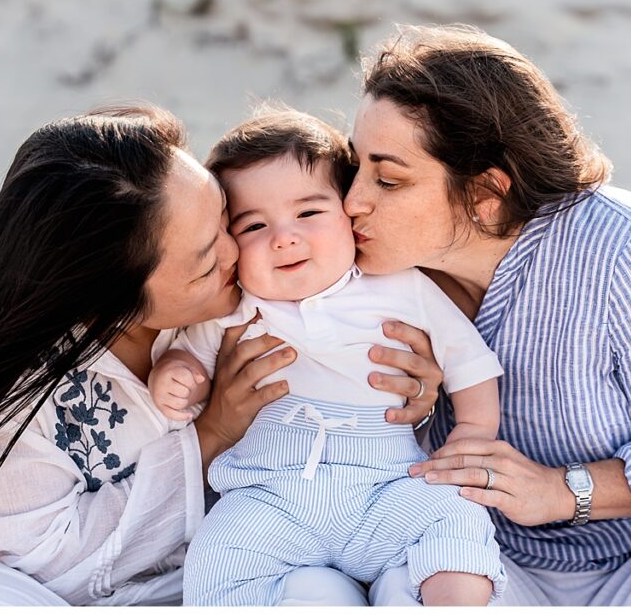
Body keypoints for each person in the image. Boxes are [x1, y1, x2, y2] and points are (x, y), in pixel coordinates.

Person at [0, 105, 440, 606]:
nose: (237, 252)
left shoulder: (244, 294)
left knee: (318, 591)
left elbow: (347, 289)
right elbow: (53, 564)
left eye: (226, 219)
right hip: (75, 594)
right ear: (108, 302)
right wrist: (210, 434)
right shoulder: (13, 394)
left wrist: (414, 380)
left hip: (247, 563)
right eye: (205, 261)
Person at [341, 24, 631, 606]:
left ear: (485, 193)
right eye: (355, 168)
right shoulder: (356, 269)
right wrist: (416, 416)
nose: (353, 200)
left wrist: (563, 491)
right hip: (475, 558)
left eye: (388, 179)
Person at [148, 109, 505, 606]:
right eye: (253, 225)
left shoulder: (402, 287)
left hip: (387, 486)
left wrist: (473, 430)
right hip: (271, 496)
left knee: (453, 518)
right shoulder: (236, 306)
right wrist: (176, 373)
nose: (284, 237)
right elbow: (189, 357)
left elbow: (469, 359)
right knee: (218, 554)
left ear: (349, 215)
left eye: (309, 213)